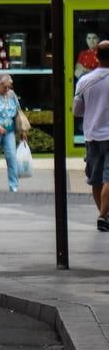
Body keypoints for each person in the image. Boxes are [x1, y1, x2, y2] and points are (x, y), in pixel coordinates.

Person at [73, 41, 109, 230]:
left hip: (92, 135)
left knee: (95, 179)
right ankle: (103, 216)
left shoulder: (85, 81)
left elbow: (77, 111)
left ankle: (103, 215)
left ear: (96, 56)